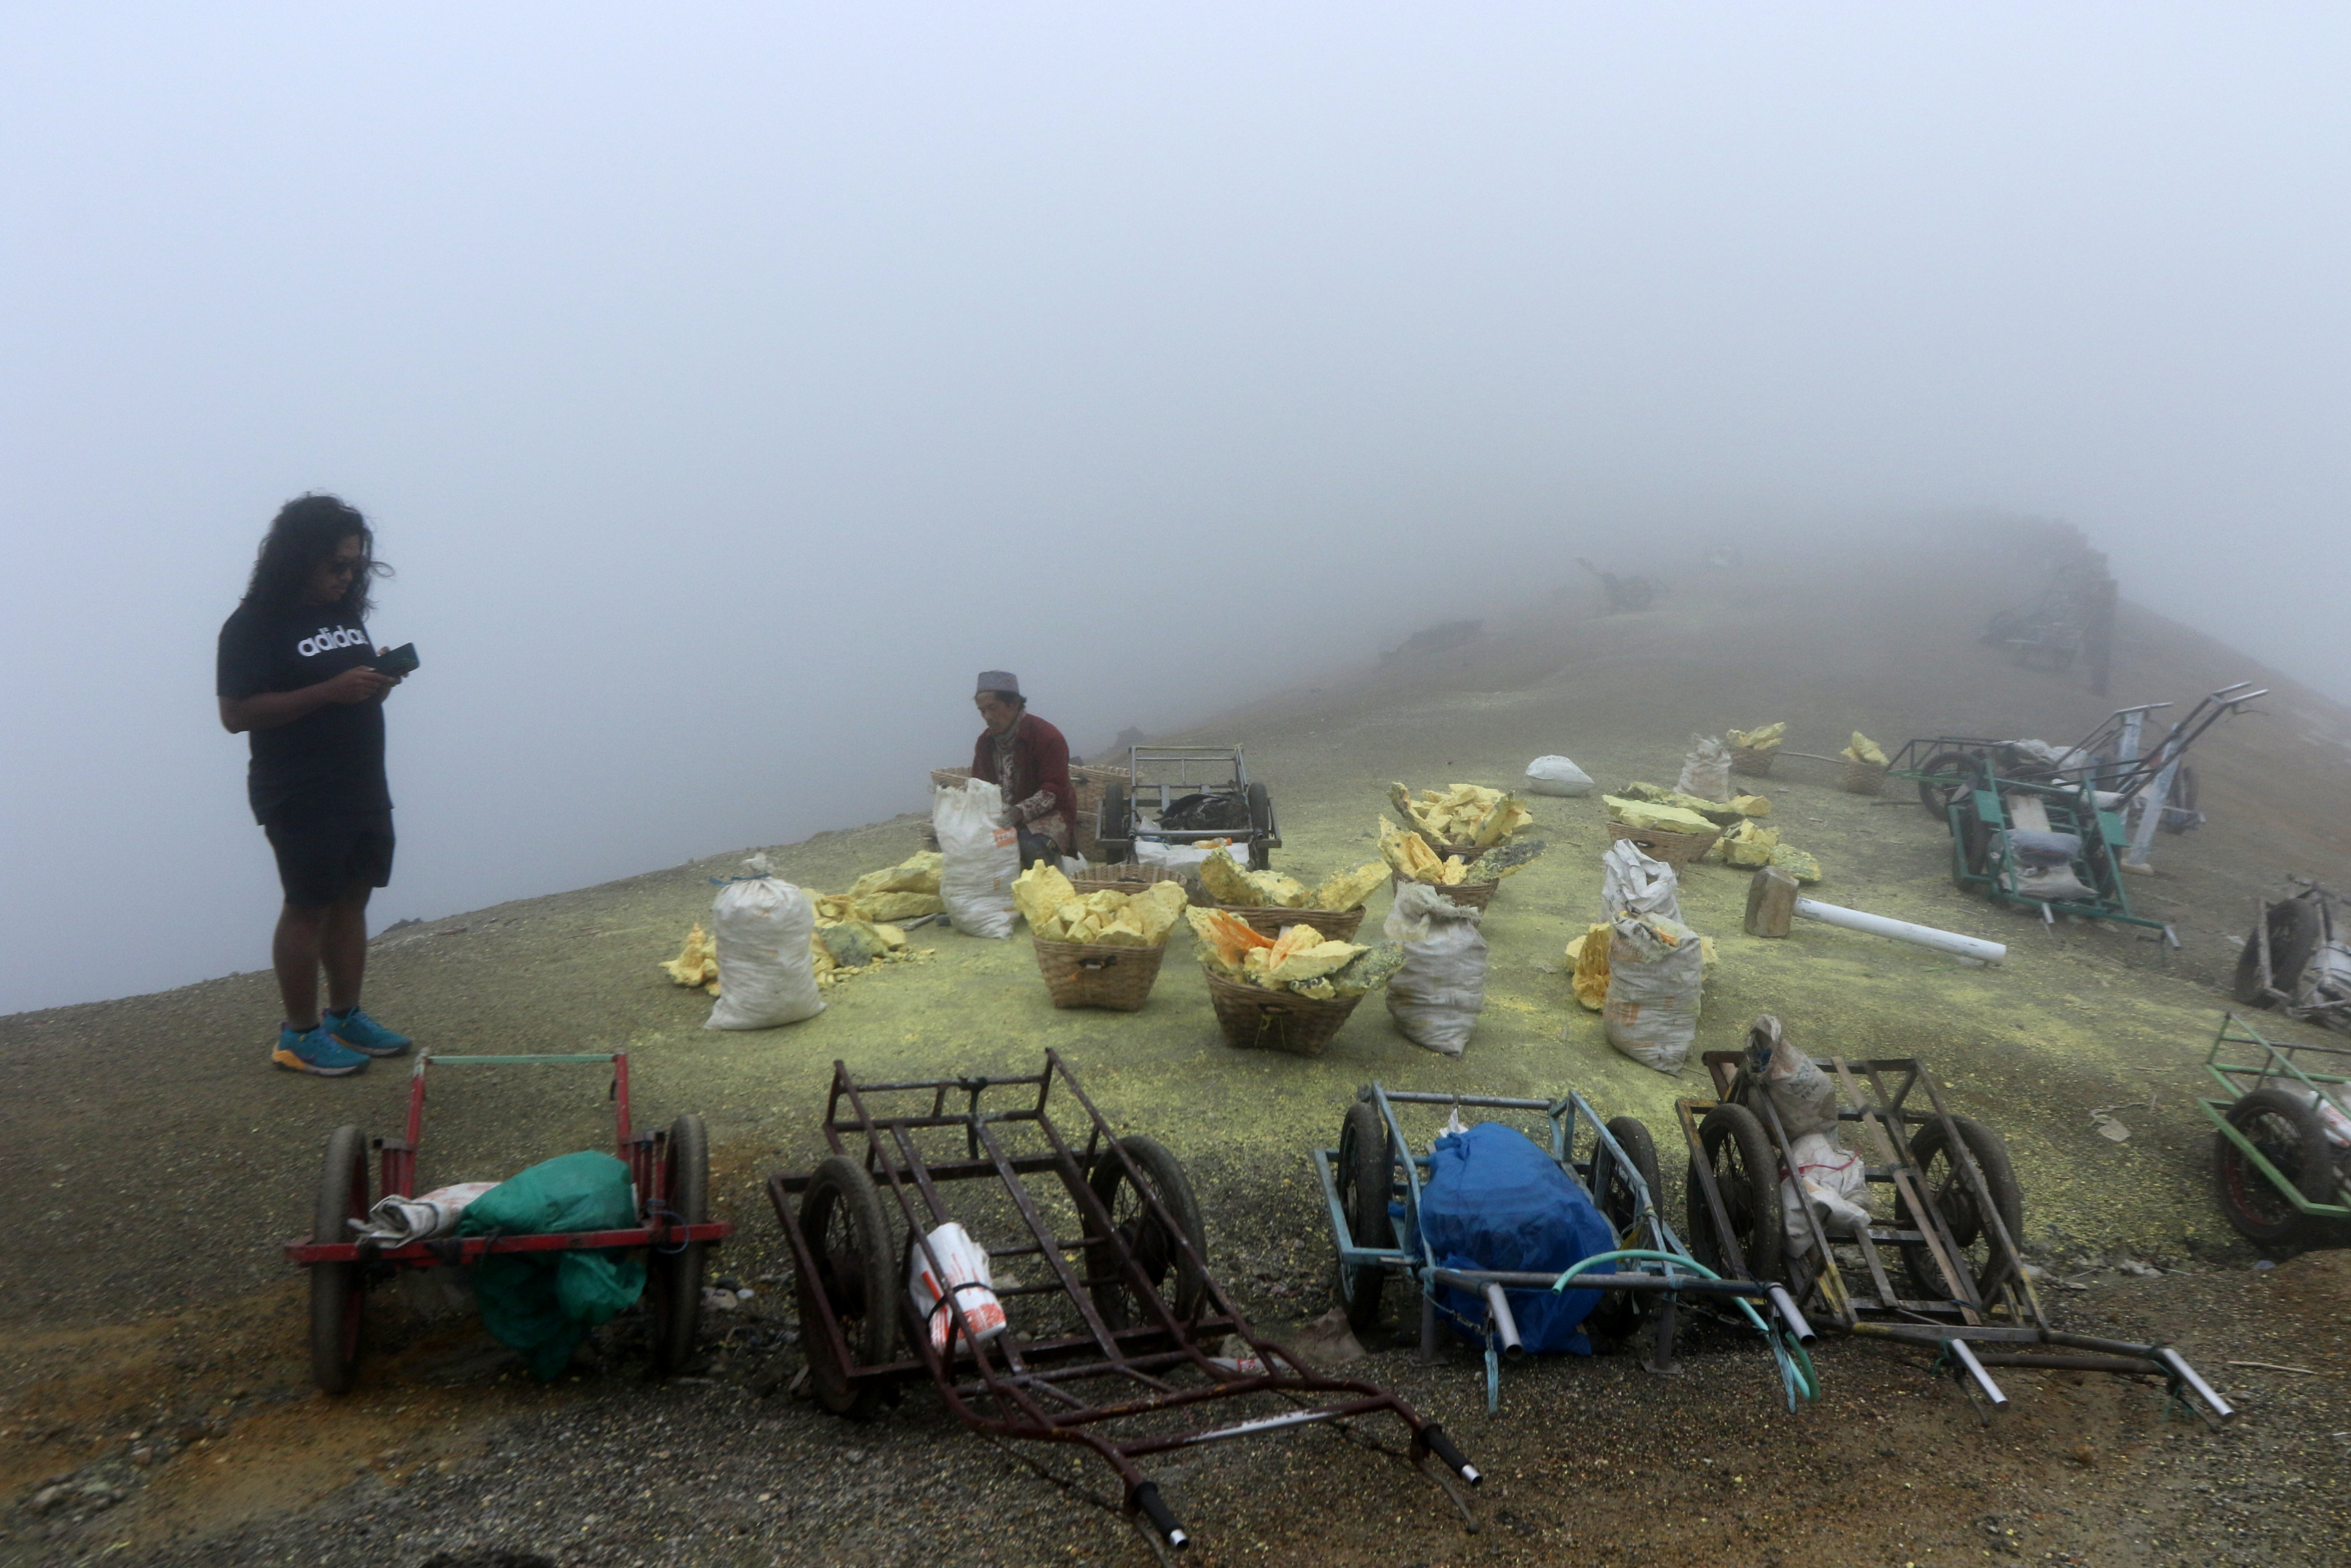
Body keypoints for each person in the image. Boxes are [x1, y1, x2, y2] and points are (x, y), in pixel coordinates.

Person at [217, 495, 415, 1076]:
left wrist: (375, 683)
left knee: (353, 896)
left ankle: (344, 1017)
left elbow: (344, 688)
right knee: (307, 905)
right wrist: (330, 690)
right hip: (300, 789)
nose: (347, 576)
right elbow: (235, 713)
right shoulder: (252, 624)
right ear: (297, 558)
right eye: (336, 565)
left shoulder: (343, 612)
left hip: (361, 780)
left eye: (355, 565)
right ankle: (299, 1035)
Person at [972, 672, 1076, 870]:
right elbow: (979, 784)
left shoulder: (1047, 737)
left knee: (1030, 847)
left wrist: (1019, 812)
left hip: (1050, 816)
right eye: (982, 711)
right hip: (1002, 817)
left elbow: (1053, 790)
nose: (987, 717)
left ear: (1013, 704)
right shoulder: (985, 743)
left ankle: (1044, 886)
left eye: (992, 708)